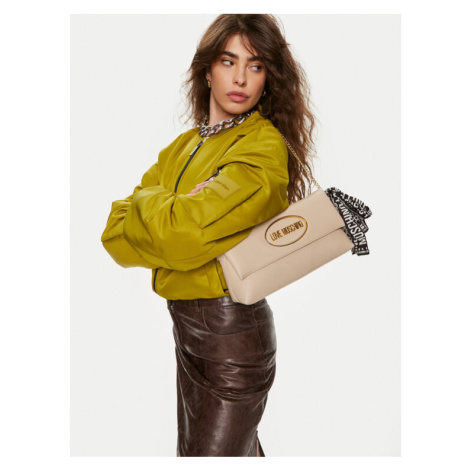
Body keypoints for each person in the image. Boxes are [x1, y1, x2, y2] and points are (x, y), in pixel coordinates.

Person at [101, 14, 317, 457]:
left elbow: (179, 236)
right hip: (187, 336)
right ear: (207, 70)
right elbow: (114, 236)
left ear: (268, 79)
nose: (240, 78)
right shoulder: (182, 147)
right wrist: (170, 205)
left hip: (231, 342)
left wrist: (149, 203)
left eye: (256, 66)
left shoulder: (261, 146)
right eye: (228, 61)